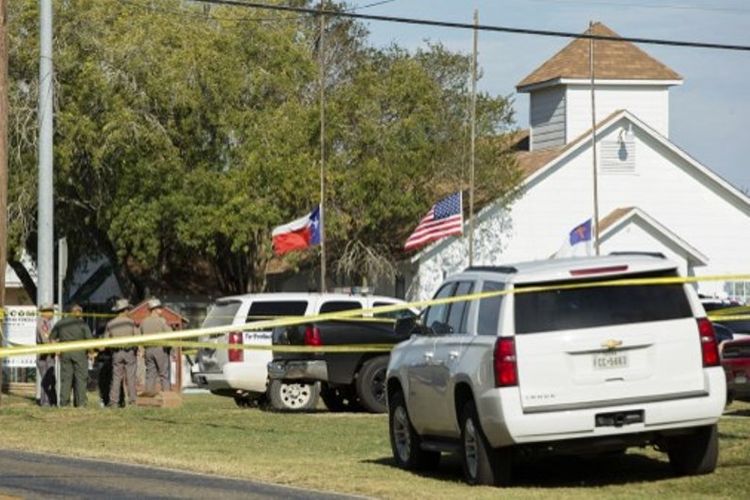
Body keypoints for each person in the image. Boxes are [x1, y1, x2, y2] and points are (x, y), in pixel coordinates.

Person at [49, 304, 93, 407]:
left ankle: (64, 403)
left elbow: (52, 338)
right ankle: (80, 403)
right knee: (81, 379)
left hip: (65, 353)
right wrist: (91, 352)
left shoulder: (60, 323)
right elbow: (90, 340)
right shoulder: (82, 324)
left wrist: (57, 349)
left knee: (66, 378)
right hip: (80, 353)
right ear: (78, 312)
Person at [103, 298, 140, 407]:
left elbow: (105, 340)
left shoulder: (110, 324)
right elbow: (137, 337)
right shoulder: (131, 322)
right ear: (125, 310)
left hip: (116, 353)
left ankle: (114, 401)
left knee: (116, 378)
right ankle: (133, 401)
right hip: (129, 353)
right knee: (131, 377)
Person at [140, 298, 173, 394]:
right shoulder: (161, 321)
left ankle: (149, 395)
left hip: (148, 350)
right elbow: (170, 334)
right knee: (164, 374)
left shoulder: (144, 322)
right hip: (160, 350)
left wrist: (142, 350)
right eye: (160, 308)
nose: (161, 310)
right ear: (154, 309)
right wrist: (172, 349)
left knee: (150, 374)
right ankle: (167, 396)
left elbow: (140, 336)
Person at [35, 303, 57, 407]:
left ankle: (50, 401)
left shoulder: (48, 323)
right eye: (51, 311)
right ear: (45, 312)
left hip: (49, 354)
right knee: (46, 379)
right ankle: (45, 402)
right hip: (44, 356)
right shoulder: (42, 323)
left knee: (50, 379)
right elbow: (45, 340)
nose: (52, 313)